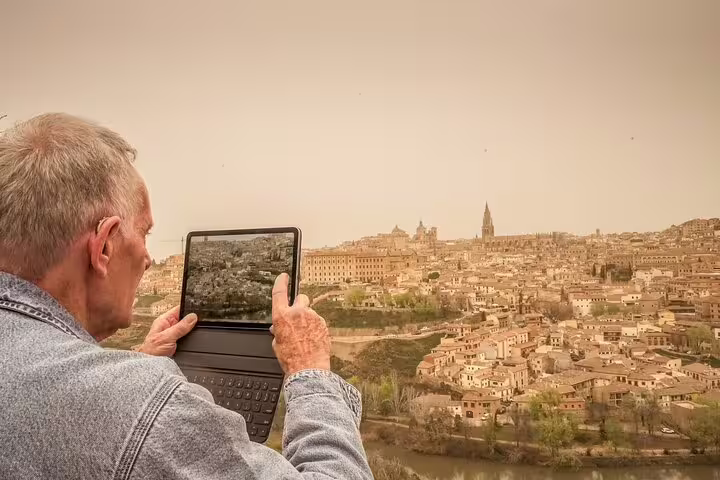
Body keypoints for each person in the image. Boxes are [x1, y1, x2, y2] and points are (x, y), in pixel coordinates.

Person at [0, 113, 373, 479]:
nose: (147, 259)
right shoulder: (145, 410)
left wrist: (131, 364)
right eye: (144, 234)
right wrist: (310, 370)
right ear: (104, 248)